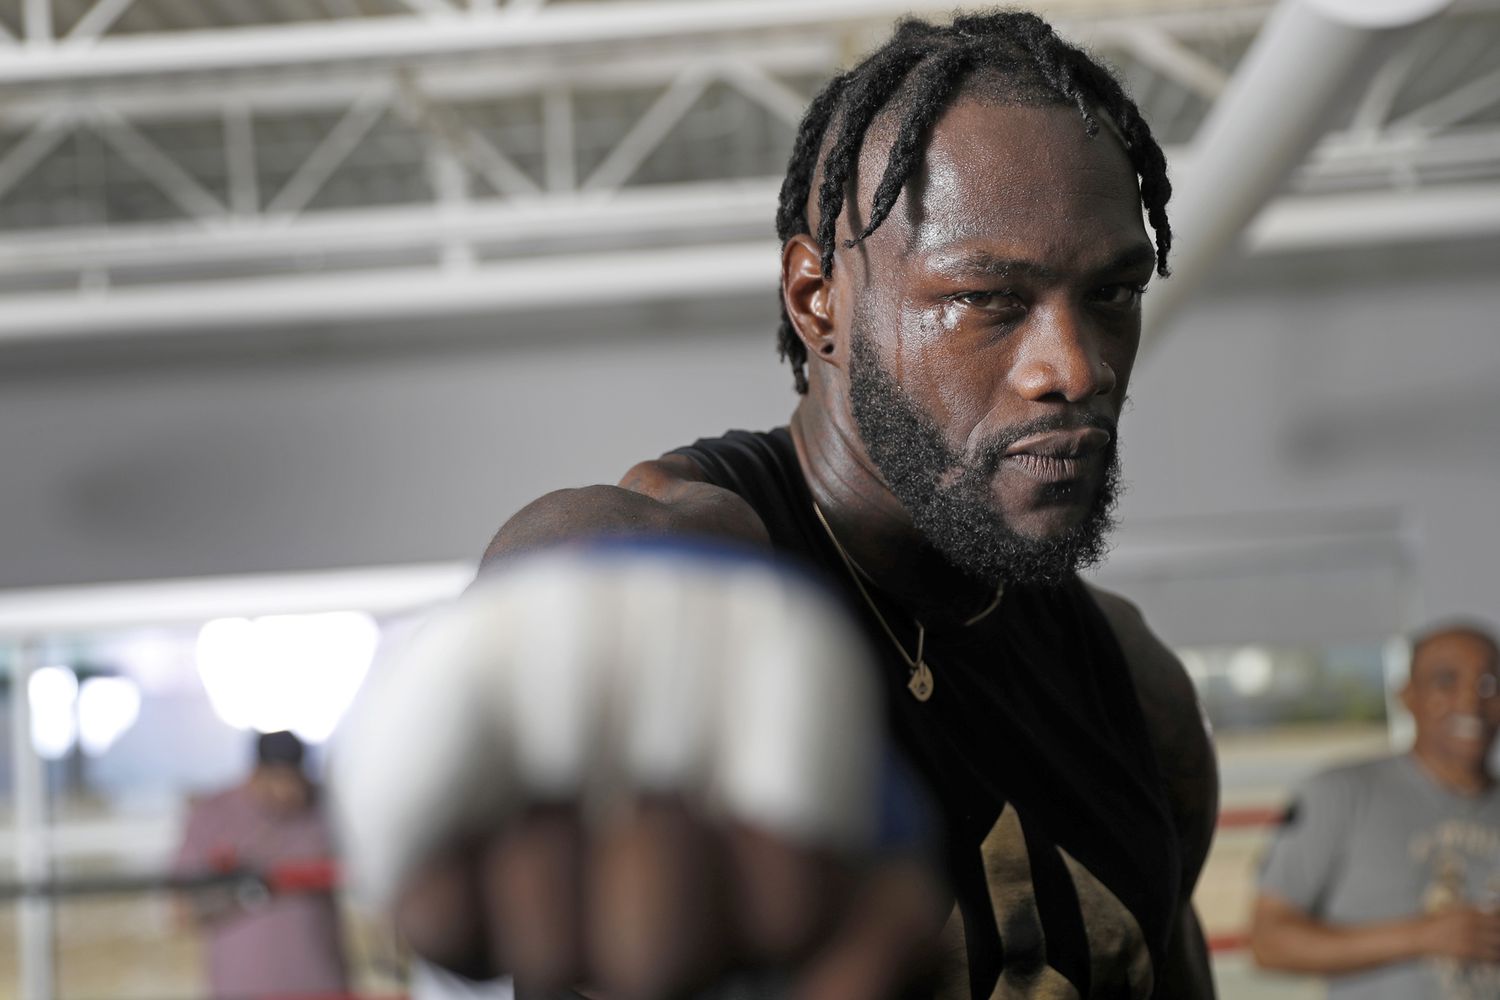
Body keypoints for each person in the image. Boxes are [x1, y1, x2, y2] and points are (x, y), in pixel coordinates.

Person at [356, 10, 1219, 999]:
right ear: (819, 302)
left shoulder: (1136, 691)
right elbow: (590, 559)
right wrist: (552, 651)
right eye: (987, 298)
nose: (1075, 365)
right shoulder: (716, 558)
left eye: (1112, 293)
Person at [1250, 623, 1500, 999]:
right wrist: (1423, 936)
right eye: (1446, 681)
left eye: (1488, 684)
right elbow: (1268, 941)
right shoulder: (1339, 793)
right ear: (1407, 696)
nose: (1470, 701)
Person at [175, 730, 349, 999]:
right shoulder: (213, 814)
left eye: (296, 780)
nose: (290, 792)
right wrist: (249, 890)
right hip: (243, 988)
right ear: (256, 774)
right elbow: (181, 910)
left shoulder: (325, 808)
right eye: (280, 780)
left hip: (321, 985)